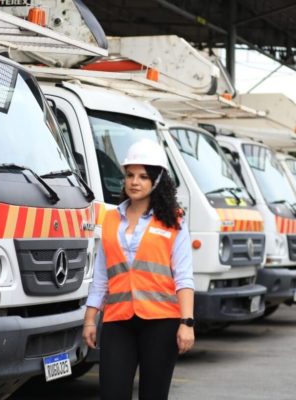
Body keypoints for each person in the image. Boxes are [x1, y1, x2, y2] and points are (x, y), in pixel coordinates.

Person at [83, 138, 195, 400]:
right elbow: (102, 276)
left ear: (157, 181)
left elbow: (184, 277)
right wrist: (90, 318)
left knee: (153, 395)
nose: (134, 182)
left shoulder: (173, 221)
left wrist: (187, 323)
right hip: (118, 321)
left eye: (143, 176)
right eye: (130, 175)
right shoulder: (110, 219)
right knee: (112, 393)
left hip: (161, 322)